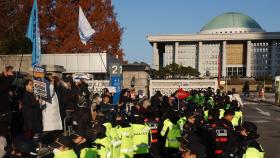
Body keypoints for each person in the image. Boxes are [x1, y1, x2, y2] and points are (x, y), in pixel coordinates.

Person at [41, 75, 63, 142]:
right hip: (49, 113)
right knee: (49, 130)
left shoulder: (50, 88)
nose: (52, 81)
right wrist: (51, 84)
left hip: (52, 113)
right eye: (51, 80)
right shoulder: (48, 88)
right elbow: (49, 94)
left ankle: (52, 141)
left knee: (52, 130)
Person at [0, 65, 14, 139]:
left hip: (4, 113)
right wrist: (10, 77)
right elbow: (4, 86)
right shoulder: (4, 83)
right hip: (3, 113)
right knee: (3, 133)